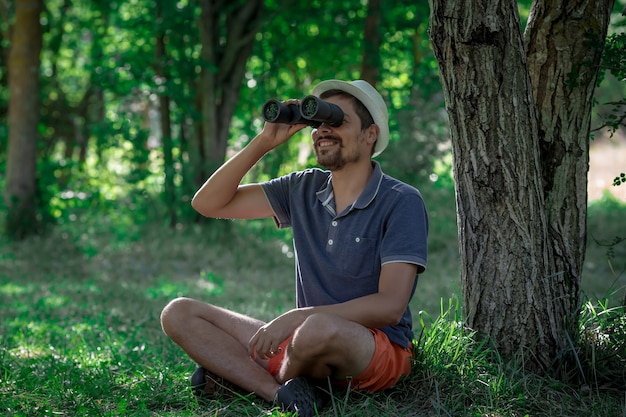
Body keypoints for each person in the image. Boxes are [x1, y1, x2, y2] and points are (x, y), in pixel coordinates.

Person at [160, 80, 428, 417]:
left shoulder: (400, 200)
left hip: (376, 349)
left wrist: (298, 317)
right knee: (179, 311)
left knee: (317, 327)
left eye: (337, 121)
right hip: (303, 343)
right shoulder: (303, 187)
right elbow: (208, 203)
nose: (323, 132)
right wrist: (264, 141)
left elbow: (390, 307)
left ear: (370, 134)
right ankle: (278, 393)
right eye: (318, 123)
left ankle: (240, 378)